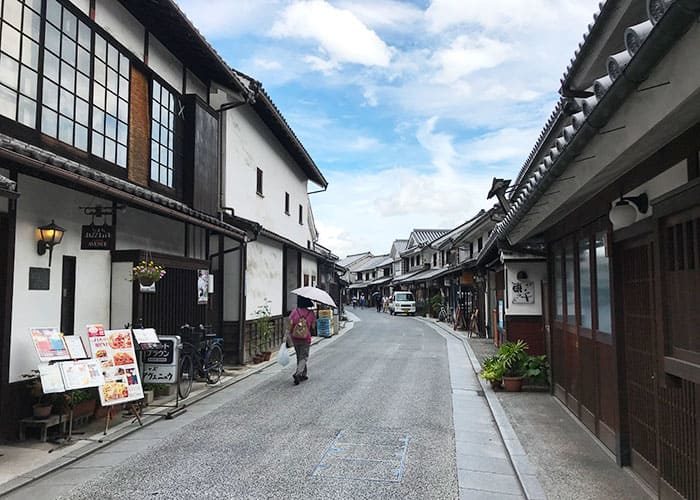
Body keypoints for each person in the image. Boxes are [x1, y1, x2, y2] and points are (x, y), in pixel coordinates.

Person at [287, 296, 316, 385]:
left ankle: (304, 374)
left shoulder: (295, 311)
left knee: (299, 356)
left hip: (295, 337)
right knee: (304, 357)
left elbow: (290, 323)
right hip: (305, 338)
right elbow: (313, 327)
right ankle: (298, 373)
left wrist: (289, 333)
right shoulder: (311, 313)